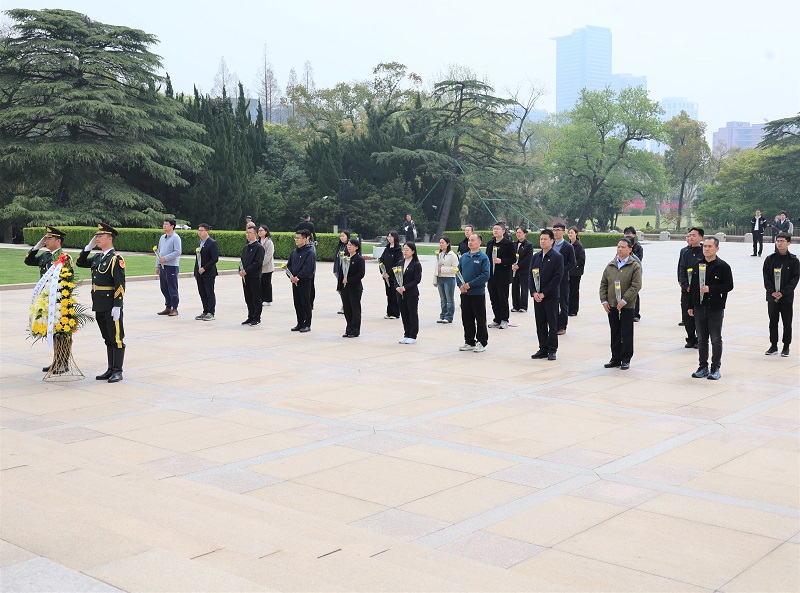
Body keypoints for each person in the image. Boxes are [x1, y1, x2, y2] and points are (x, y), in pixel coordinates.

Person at [76, 223, 125, 383]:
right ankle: (110, 369)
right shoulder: (98, 257)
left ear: (109, 238)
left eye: (100, 236)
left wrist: (117, 305)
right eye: (96, 236)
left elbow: (120, 284)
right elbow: (80, 262)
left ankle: (117, 371)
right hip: (99, 304)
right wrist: (88, 247)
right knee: (107, 338)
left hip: (111, 305)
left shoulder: (116, 259)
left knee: (116, 339)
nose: (97, 238)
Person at [26, 226, 74, 373]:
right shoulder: (45, 256)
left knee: (62, 332)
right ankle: (56, 360)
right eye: (45, 238)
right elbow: (28, 261)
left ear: (58, 241)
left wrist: (63, 299)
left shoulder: (64, 257)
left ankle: (63, 362)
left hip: (60, 300)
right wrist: (36, 247)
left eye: (49, 238)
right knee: (52, 331)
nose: (46, 241)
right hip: (46, 299)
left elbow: (68, 279)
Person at [689, 236, 734, 380]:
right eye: (705, 246)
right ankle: (703, 366)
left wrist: (711, 289)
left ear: (717, 249)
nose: (707, 249)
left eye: (710, 246)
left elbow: (729, 286)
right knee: (701, 339)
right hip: (699, 307)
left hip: (715, 307)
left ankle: (715, 368)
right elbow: (693, 287)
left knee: (715, 338)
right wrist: (690, 305)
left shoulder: (723, 266)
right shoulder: (697, 265)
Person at [599, 238, 642, 370]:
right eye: (618, 247)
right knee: (615, 332)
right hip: (612, 305)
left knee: (626, 332)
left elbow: (636, 285)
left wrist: (625, 300)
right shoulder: (611, 265)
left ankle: (626, 359)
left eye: (623, 247)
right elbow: (603, 284)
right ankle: (615, 358)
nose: (620, 249)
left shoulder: (634, 266)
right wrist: (604, 300)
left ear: (630, 249)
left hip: (627, 306)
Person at [530, 229, 564, 361]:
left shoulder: (557, 257)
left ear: (551, 241)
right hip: (537, 297)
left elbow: (557, 278)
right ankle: (542, 348)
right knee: (540, 323)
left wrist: (544, 293)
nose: (542, 241)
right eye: (541, 239)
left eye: (545, 239)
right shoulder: (536, 257)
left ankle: (552, 349)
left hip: (550, 297)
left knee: (552, 324)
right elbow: (530, 277)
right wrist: (534, 292)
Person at [763, 232, 799, 357]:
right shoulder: (770, 259)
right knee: (773, 321)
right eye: (777, 241)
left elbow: (795, 279)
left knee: (787, 322)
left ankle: (786, 346)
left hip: (786, 297)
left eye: (782, 241)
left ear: (788, 243)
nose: (779, 243)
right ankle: (773, 345)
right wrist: (772, 291)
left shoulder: (794, 261)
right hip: (772, 297)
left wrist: (783, 292)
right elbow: (766, 277)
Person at [457, 232, 490, 353]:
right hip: (465, 293)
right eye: (469, 240)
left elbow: (485, 275)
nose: (470, 242)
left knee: (480, 318)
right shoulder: (464, 257)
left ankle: (482, 341)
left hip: (477, 293)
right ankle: (469, 341)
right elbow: (458, 272)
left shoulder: (483, 257)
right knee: (466, 318)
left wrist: (470, 284)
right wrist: (460, 285)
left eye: (473, 240)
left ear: (479, 242)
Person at [678, 227, 705, 347]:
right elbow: (681, 269)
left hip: (700, 290)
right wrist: (684, 284)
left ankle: (700, 339)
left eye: (694, 235)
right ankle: (691, 338)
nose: (691, 237)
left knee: (699, 315)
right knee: (686, 315)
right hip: (687, 290)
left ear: (700, 237)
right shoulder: (685, 252)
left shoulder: (704, 251)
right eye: (689, 235)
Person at [486, 222, 514, 329]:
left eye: (498, 229)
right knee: (494, 299)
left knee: (503, 299)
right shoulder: (490, 243)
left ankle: (504, 319)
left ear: (503, 231)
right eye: (494, 229)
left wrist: (501, 261)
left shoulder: (508, 244)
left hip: (503, 276)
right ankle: (497, 319)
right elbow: (487, 257)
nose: (495, 231)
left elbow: (513, 259)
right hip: (491, 276)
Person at [287, 229, 316, 333]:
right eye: (295, 238)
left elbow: (308, 268)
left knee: (305, 303)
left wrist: (298, 277)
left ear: (305, 239)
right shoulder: (294, 252)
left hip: (304, 281)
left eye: (298, 238)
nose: (296, 240)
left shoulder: (309, 252)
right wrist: (290, 276)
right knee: (297, 302)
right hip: (294, 281)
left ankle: (307, 324)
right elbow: (289, 265)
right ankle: (300, 323)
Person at [552, 223, 576, 334]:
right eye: (554, 230)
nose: (556, 232)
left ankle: (562, 326)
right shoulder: (551, 244)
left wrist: (561, 271)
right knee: (553, 303)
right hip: (551, 279)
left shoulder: (568, 247)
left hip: (563, 280)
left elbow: (572, 263)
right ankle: (554, 325)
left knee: (563, 303)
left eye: (558, 230)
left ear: (563, 232)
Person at [338, 238, 365, 338]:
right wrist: (339, 287)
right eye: (348, 245)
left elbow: (361, 274)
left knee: (355, 309)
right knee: (347, 309)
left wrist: (349, 280)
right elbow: (341, 273)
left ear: (356, 247)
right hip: (345, 288)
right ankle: (349, 328)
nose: (349, 247)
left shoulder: (359, 259)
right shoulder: (345, 258)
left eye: (351, 245)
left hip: (355, 288)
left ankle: (355, 330)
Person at [396, 241, 422, 344]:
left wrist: (405, 287)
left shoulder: (416, 264)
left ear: (413, 251)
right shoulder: (400, 263)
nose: (405, 251)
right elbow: (395, 277)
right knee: (404, 314)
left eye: (407, 250)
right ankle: (406, 334)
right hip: (400, 293)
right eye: (404, 249)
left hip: (411, 294)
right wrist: (397, 287)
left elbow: (417, 280)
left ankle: (413, 335)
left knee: (412, 314)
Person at [156, 218, 182, 317]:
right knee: (164, 287)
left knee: (172, 288)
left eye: (167, 224)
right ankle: (168, 307)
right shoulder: (162, 237)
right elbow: (158, 252)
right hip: (162, 266)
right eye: (164, 224)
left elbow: (178, 252)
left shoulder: (176, 238)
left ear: (172, 226)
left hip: (172, 267)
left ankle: (175, 308)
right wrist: (157, 265)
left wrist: (166, 258)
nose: (164, 226)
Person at [239, 226, 264, 326]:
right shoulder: (246, 247)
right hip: (245, 277)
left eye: (250, 233)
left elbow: (258, 262)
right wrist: (240, 270)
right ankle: (250, 316)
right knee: (248, 297)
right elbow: (242, 260)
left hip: (254, 276)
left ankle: (256, 317)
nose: (248, 235)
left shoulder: (259, 247)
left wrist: (246, 271)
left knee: (256, 297)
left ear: (255, 234)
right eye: (247, 233)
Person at [193, 223, 218, 321]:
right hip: (199, 273)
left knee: (209, 292)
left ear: (207, 231)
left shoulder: (212, 243)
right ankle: (205, 311)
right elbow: (197, 259)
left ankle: (211, 312)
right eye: (198, 230)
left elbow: (214, 259)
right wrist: (196, 272)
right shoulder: (199, 243)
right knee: (202, 292)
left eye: (202, 230)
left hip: (208, 273)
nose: (200, 232)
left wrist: (204, 268)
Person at [433, 236, 458, 323]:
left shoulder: (452, 255)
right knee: (443, 299)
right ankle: (443, 315)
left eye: (443, 243)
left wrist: (443, 270)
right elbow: (436, 267)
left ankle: (449, 316)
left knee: (449, 299)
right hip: (440, 278)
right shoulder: (439, 254)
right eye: (440, 243)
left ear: (448, 244)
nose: (441, 244)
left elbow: (455, 268)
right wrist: (435, 279)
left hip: (449, 279)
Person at [379, 230, 403, 320]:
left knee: (394, 294)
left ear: (395, 238)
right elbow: (381, 260)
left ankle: (395, 313)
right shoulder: (387, 249)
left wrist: (389, 273)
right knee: (389, 294)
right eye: (388, 236)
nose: (389, 238)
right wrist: (382, 272)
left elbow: (398, 263)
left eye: (391, 236)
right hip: (386, 276)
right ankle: (389, 312)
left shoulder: (398, 250)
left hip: (394, 276)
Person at [511, 227, 534, 313]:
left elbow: (528, 258)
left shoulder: (528, 245)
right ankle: (515, 306)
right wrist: (513, 264)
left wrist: (519, 265)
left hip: (524, 270)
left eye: (520, 232)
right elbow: (511, 255)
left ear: (525, 233)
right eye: (517, 232)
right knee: (514, 288)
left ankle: (523, 306)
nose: (518, 234)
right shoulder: (514, 244)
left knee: (524, 288)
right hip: (514, 270)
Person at [623, 226, 643, 321]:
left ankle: (636, 314)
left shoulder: (638, 247)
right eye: (626, 233)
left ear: (634, 235)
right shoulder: (622, 245)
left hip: (633, 274)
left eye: (629, 233)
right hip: (623, 275)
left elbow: (638, 263)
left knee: (634, 294)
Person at [567, 226, 585, 316]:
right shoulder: (567, 245)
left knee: (574, 291)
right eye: (569, 233)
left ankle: (574, 310)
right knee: (567, 291)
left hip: (576, 273)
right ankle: (567, 308)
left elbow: (581, 260)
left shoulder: (579, 246)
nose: (570, 234)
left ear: (576, 233)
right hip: (567, 272)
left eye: (572, 233)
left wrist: (572, 264)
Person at [332, 230, 351, 315]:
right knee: (340, 289)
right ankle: (344, 305)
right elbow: (336, 259)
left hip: (345, 272)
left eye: (343, 236)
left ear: (347, 236)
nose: (341, 237)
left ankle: (346, 306)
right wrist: (335, 270)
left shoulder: (349, 246)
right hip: (338, 271)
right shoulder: (340, 246)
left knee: (346, 289)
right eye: (340, 236)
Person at [258, 225, 274, 307]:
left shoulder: (269, 242)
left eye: (261, 230)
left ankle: (267, 299)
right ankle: (261, 298)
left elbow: (269, 255)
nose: (260, 232)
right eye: (259, 230)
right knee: (260, 284)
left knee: (266, 283)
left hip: (267, 267)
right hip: (259, 267)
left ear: (266, 231)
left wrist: (260, 263)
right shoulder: (258, 241)